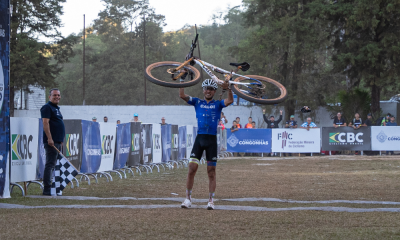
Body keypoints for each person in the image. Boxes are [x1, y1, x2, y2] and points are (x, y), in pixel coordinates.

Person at [179, 77, 233, 210]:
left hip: (211, 140)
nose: (208, 91)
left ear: (214, 91)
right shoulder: (197, 102)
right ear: (203, 90)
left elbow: (230, 100)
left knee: (211, 172)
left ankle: (211, 200)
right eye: (206, 88)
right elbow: (182, 95)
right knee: (192, 169)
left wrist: (229, 87)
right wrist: (182, 79)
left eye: (211, 89)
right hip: (200, 139)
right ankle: (188, 198)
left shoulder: (218, 104)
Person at [40, 88, 65, 196]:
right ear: (49, 96)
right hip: (51, 142)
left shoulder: (57, 109)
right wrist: (50, 138)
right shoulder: (47, 107)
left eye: (58, 95)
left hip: (58, 141)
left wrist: (60, 140)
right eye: (54, 95)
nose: (57, 97)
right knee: (50, 164)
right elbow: (45, 123)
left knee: (54, 164)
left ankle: (52, 186)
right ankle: (47, 189)